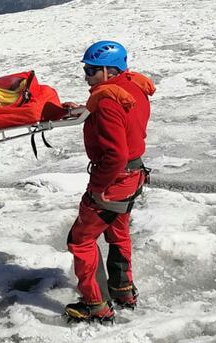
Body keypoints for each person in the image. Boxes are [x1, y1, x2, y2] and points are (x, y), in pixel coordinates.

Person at [65, 40, 156, 322]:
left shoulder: (107, 102)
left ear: (108, 70)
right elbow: (124, 119)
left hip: (114, 180)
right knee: (118, 233)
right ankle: (122, 289)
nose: (86, 76)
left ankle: (95, 305)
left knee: (81, 240)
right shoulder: (132, 87)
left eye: (91, 71)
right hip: (134, 175)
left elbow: (115, 154)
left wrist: (98, 188)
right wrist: (86, 109)